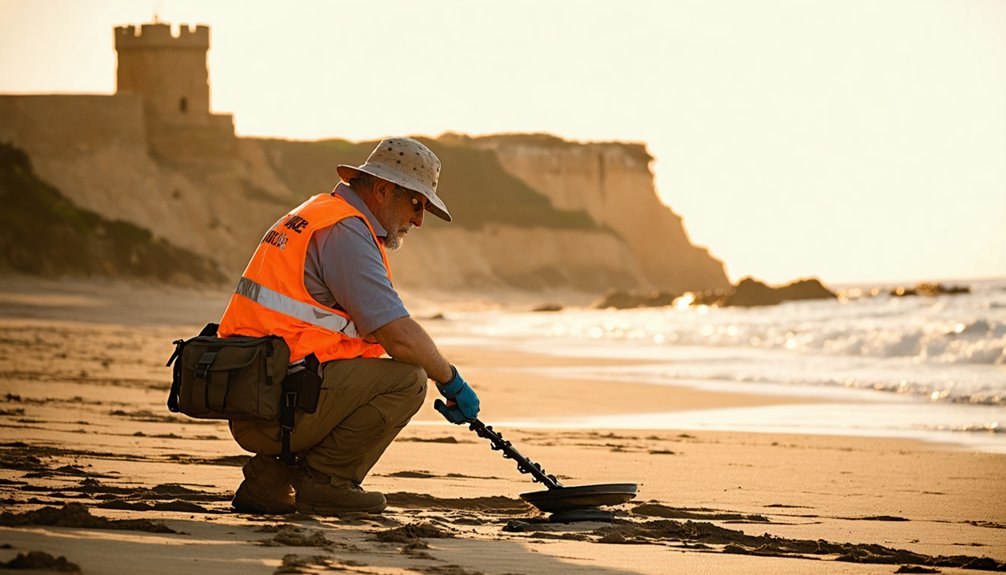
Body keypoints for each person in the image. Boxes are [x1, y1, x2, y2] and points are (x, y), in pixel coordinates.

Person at [216, 137, 480, 515]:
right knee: (407, 381)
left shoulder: (319, 213)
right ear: (383, 189)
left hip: (258, 395)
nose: (419, 220)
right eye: (416, 204)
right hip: (274, 406)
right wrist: (451, 380)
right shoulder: (344, 232)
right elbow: (399, 337)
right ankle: (327, 481)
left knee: (369, 376)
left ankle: (271, 479)